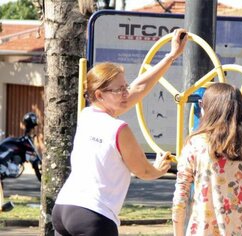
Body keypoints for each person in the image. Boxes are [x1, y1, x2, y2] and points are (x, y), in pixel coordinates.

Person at [52, 28, 188, 236]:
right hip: (93, 216)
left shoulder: (87, 115)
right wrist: (160, 169)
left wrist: (171, 56)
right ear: (99, 94)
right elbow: (143, 171)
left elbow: (139, 87)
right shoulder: (118, 129)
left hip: (64, 208)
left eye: (125, 87)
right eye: (119, 90)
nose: (126, 93)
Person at [172, 83, 242, 236]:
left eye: (202, 104)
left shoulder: (195, 144)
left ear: (209, 109)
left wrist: (178, 233)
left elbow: (180, 199)